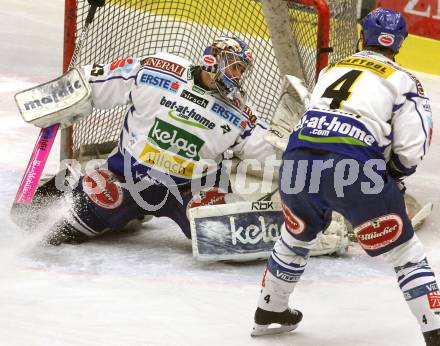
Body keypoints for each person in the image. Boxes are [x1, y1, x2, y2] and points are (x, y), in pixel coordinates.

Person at [251, 8, 439, 345]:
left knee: (296, 236)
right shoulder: (403, 79)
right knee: (405, 253)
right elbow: (412, 148)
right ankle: (436, 328)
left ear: (362, 36)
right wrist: (392, 175)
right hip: (354, 165)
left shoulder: (331, 69)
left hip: (297, 159)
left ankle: (270, 308)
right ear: (400, 43)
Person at [17, 37, 277, 245]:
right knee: (56, 229)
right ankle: (119, 208)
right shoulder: (159, 69)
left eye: (241, 70)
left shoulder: (239, 112)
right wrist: (65, 96)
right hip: (127, 178)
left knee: (222, 239)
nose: (237, 75)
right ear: (212, 60)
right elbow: (97, 80)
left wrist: (295, 146)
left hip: (192, 189)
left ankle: (131, 214)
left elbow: (268, 148)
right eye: (233, 66)